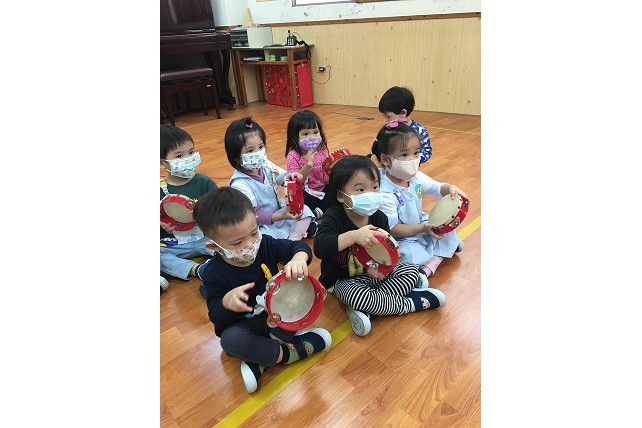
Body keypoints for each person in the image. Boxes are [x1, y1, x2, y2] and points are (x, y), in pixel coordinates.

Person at [193, 186, 332, 393]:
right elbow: (217, 319)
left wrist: (299, 259)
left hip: (277, 314)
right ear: (214, 247)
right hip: (247, 326)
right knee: (231, 341)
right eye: (238, 242)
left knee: (305, 297)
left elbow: (298, 247)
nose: (251, 244)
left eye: (254, 232)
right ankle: (290, 352)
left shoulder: (264, 244)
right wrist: (226, 304)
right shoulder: (213, 274)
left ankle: (262, 359)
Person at [313, 155, 446, 337]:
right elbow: (320, 248)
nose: (370, 194)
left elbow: (384, 252)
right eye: (360, 189)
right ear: (340, 195)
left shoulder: (379, 217)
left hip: (373, 275)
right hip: (342, 280)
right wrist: (353, 236)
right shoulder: (333, 217)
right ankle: (410, 303)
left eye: (375, 187)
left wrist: (385, 264)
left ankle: (369, 307)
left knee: (411, 271)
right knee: (355, 295)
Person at [371, 122, 467, 279]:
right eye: (404, 155)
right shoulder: (383, 190)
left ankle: (432, 261)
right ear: (386, 160)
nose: (413, 159)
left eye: (416, 153)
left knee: (446, 227)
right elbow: (393, 229)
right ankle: (435, 260)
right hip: (400, 237)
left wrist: (450, 188)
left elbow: (437, 188)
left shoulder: (415, 177)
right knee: (407, 255)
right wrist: (423, 229)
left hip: (420, 223)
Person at [225, 116, 317, 240]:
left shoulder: (266, 165)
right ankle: (294, 239)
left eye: (261, 147)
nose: (258, 153)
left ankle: (293, 237)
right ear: (236, 157)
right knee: (263, 238)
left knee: (304, 210)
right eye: (250, 151)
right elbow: (256, 215)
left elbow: (284, 178)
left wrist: (291, 176)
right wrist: (282, 216)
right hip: (262, 224)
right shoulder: (239, 184)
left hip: (280, 213)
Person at [160, 125, 217, 292]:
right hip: (174, 242)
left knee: (230, 242)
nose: (188, 158)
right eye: (179, 156)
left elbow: (219, 212)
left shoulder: (204, 182)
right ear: (163, 163)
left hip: (204, 237)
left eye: (191, 152)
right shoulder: (159, 189)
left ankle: (222, 264)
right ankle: (196, 269)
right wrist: (162, 226)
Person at [285, 110, 331, 218]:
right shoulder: (293, 156)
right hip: (306, 191)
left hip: (322, 188)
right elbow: (297, 181)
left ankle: (318, 212)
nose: (312, 137)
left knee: (338, 190)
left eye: (315, 132)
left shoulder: (322, 153)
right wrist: (308, 165)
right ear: (294, 137)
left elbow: (326, 179)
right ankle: (321, 210)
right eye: (305, 134)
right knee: (299, 199)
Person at [378, 86, 432, 164]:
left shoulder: (419, 131)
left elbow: (427, 151)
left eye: (388, 117)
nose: (386, 121)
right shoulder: (389, 130)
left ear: (403, 113)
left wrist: (413, 159)